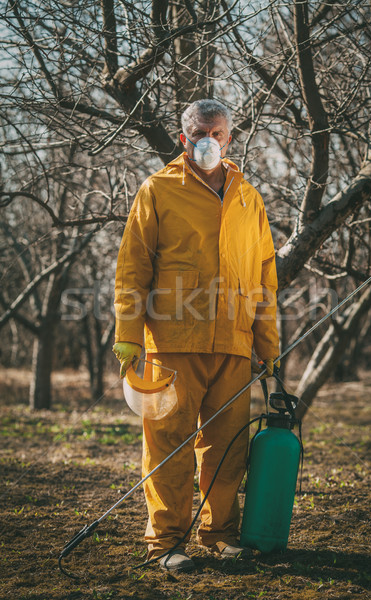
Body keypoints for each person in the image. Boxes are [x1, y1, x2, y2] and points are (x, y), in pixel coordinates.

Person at [113, 99, 280, 572]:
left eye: (218, 133)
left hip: (233, 342)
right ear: (183, 137)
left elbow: (265, 277)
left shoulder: (249, 196)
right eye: (198, 132)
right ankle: (165, 543)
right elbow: (133, 267)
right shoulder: (158, 190)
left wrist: (267, 345)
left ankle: (220, 535)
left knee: (228, 447)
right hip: (172, 341)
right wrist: (128, 333)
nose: (209, 140)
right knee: (169, 444)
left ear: (230, 137)